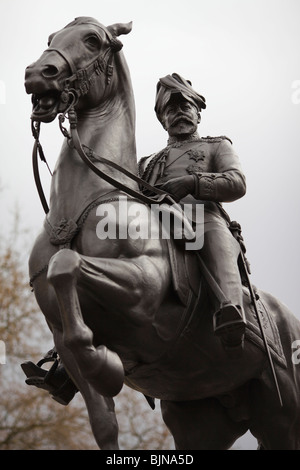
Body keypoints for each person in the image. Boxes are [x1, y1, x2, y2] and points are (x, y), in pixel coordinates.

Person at [138, 73, 247, 350]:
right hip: (155, 226)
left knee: (213, 235)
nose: (179, 114)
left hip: (202, 219)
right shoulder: (145, 163)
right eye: (170, 110)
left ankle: (230, 308)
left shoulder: (217, 146)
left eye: (185, 107)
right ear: (163, 120)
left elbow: (237, 183)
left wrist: (192, 182)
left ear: (198, 114)